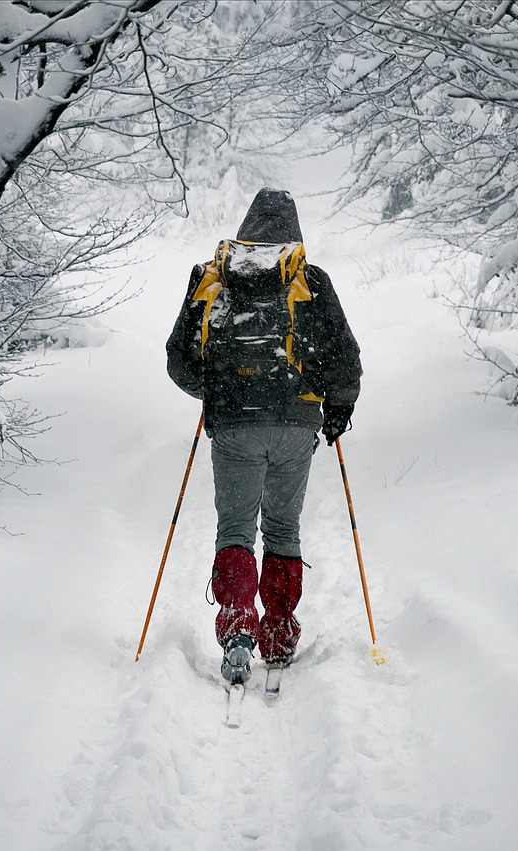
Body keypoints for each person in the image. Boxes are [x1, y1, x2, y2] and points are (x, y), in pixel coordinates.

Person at [166, 188, 362, 684]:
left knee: (235, 530)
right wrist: (337, 410)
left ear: (247, 227)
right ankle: (277, 632)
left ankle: (236, 631)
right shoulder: (310, 281)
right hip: (297, 425)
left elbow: (178, 358)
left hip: (234, 426)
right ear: (294, 233)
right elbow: (345, 357)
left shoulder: (213, 279)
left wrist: (215, 391)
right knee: (282, 528)